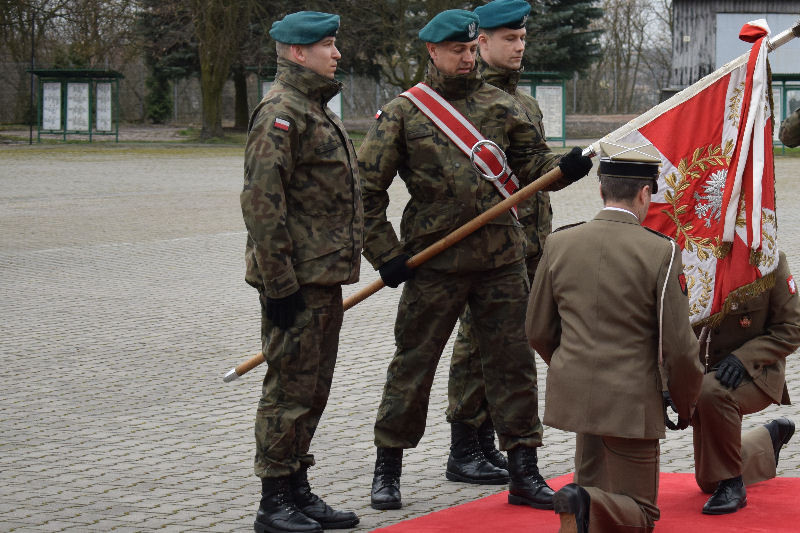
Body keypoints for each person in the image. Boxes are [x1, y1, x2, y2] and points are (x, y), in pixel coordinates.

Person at [358, 9, 593, 511]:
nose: (467, 59)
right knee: (412, 365)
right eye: (458, 51)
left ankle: (525, 471)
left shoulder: (500, 106)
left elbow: (533, 170)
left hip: (501, 262)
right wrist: (386, 255)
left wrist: (567, 168)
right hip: (433, 265)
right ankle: (388, 468)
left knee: (513, 366)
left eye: (471, 50)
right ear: (432, 52)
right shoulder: (404, 113)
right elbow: (364, 193)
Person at [526, 141, 704, 533]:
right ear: (644, 194)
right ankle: (584, 500)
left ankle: (582, 501)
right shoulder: (661, 251)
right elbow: (679, 347)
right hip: (632, 401)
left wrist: (571, 365)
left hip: (578, 395)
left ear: (601, 188)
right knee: (640, 513)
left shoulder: (559, 242)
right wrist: (686, 402)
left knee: (588, 496)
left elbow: (537, 329)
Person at [240, 11, 363, 533]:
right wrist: (279, 285)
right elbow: (260, 201)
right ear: (297, 52)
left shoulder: (313, 108)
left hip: (321, 276)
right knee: (288, 390)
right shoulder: (282, 113)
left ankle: (296, 486)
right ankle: (274, 502)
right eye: (327, 45)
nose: (335, 54)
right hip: (296, 281)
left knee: (313, 389)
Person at [444, 0, 569, 486]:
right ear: (481, 43)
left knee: (509, 347)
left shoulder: (526, 103)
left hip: (531, 243)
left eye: (522, 39)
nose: (519, 47)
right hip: (492, 248)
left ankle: (489, 442)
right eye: (508, 40)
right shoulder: (467, 105)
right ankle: (464, 446)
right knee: (476, 345)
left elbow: (532, 168)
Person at [690, 251, 800, 514]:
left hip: (757, 371)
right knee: (707, 481)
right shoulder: (695, 258)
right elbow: (676, 326)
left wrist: (743, 359)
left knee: (712, 391)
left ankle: (733, 486)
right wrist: (673, 380)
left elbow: (792, 328)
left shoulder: (770, 262)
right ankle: (768, 439)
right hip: (707, 375)